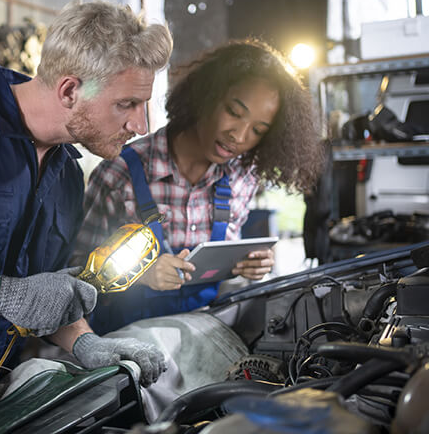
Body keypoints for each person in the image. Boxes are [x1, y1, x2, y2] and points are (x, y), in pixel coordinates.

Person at [0, 0, 173, 421]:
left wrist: (85, 341)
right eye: (126, 104)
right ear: (70, 90)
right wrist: (2, 294)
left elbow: (40, 297)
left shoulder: (67, 175)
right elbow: (14, 296)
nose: (141, 126)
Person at [76, 38, 325, 335]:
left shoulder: (243, 178)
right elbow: (77, 275)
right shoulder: (119, 174)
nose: (240, 136)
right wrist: (139, 275)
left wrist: (249, 265)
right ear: (207, 95)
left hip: (203, 340)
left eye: (258, 130)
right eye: (234, 112)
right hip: (123, 344)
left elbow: (225, 266)